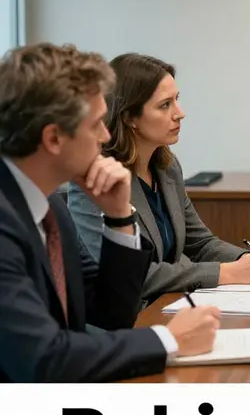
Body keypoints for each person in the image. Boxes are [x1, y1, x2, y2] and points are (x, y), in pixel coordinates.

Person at [0, 42, 220, 382]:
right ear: (54, 138)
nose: (106, 136)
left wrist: (119, 217)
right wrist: (169, 339)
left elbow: (110, 312)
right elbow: (43, 359)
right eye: (96, 125)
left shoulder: (51, 210)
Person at [67, 53, 250, 301]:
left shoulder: (167, 168)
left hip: (171, 304)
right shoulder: (94, 181)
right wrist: (225, 272)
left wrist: (245, 260)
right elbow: (130, 276)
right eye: (165, 105)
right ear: (129, 117)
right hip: (129, 319)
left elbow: (199, 243)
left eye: (176, 100)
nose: (180, 113)